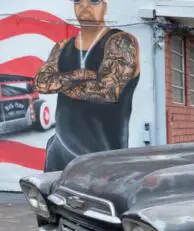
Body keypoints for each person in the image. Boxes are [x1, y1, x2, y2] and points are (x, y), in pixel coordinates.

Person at [35, 0, 140, 172]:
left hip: (103, 160)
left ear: (104, 6)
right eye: (78, 1)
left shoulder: (121, 41)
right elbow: (41, 83)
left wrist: (59, 83)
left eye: (93, 1)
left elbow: (107, 91)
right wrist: (80, 75)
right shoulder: (62, 46)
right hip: (58, 153)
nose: (84, 5)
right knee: (50, 200)